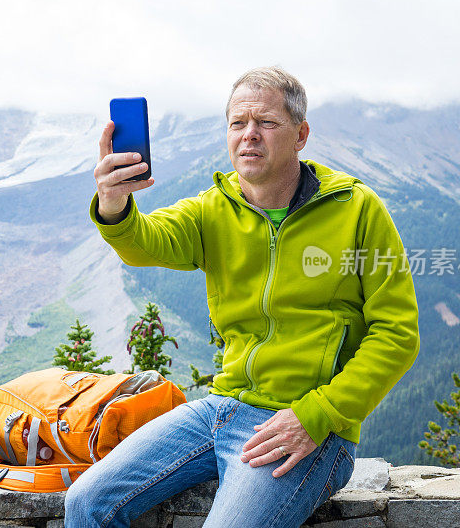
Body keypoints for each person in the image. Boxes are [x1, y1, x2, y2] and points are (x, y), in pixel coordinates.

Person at [64, 66, 420, 528]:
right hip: (220, 409)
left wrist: (317, 415)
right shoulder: (214, 208)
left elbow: (398, 334)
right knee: (86, 501)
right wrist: (114, 204)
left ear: (300, 134)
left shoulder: (357, 209)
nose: (249, 135)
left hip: (306, 427)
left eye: (266, 123)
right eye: (238, 123)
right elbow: (142, 242)